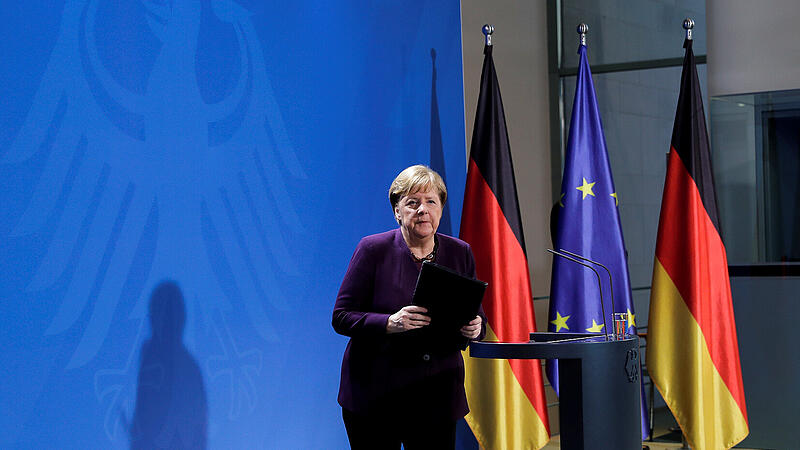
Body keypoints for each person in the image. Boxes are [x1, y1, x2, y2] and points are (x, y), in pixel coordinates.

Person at [332, 165, 486, 449]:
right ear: (397, 211)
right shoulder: (372, 249)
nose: (422, 210)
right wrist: (390, 323)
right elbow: (342, 317)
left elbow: (475, 312)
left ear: (440, 209)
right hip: (375, 397)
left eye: (431, 202)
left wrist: (476, 326)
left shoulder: (459, 252)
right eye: (412, 203)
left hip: (437, 397)